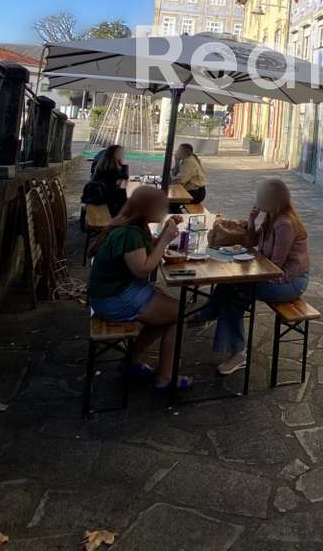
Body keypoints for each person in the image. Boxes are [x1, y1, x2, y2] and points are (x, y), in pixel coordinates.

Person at [86, 186, 192, 391]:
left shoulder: (133, 225)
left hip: (109, 294)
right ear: (146, 208)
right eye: (161, 207)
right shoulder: (129, 234)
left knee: (165, 313)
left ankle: (131, 362)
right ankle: (165, 378)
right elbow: (143, 270)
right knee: (179, 313)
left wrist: (164, 232)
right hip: (112, 299)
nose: (164, 210)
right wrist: (167, 238)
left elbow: (149, 250)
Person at [202, 178, 310, 375]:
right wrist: (252, 220)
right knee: (228, 286)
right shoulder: (271, 218)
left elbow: (275, 268)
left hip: (289, 282)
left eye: (261, 196)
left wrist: (248, 276)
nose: (257, 199)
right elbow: (250, 243)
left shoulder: (285, 224)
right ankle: (210, 316)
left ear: (273, 199)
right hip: (272, 275)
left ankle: (238, 352)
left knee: (234, 292)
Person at [90, 144, 129, 216]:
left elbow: (124, 177)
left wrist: (122, 164)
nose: (123, 155)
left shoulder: (106, 165)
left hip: (103, 196)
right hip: (102, 198)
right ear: (114, 154)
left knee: (125, 196)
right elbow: (124, 177)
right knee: (126, 197)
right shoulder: (109, 169)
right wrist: (124, 165)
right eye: (121, 153)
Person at [169, 143, 207, 213]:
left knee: (171, 203)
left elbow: (179, 181)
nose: (177, 152)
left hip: (195, 194)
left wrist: (169, 182)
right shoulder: (184, 160)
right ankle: (176, 216)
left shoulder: (190, 162)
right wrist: (177, 161)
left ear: (185, 152)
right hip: (189, 192)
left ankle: (177, 218)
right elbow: (174, 173)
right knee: (171, 202)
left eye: (179, 150)